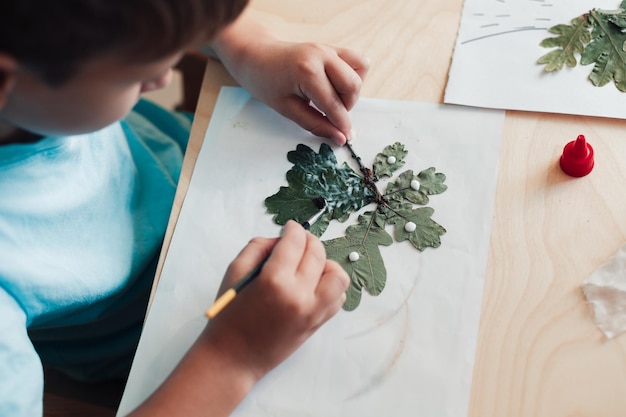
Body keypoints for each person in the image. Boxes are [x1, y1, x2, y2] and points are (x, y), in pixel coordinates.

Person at [0, 0, 369, 416]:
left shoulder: (50, 74)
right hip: (160, 347)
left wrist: (246, 46)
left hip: (190, 162)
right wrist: (235, 355)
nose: (165, 77)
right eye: (137, 73)